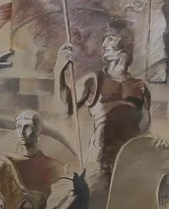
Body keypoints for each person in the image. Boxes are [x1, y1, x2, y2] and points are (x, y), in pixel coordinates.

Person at [57, 29, 151, 188]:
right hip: (99, 161)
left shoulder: (140, 86)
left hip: (128, 162)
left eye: (111, 40)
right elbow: (66, 106)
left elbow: (145, 127)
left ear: (125, 47)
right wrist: (59, 70)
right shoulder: (93, 79)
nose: (105, 45)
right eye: (104, 41)